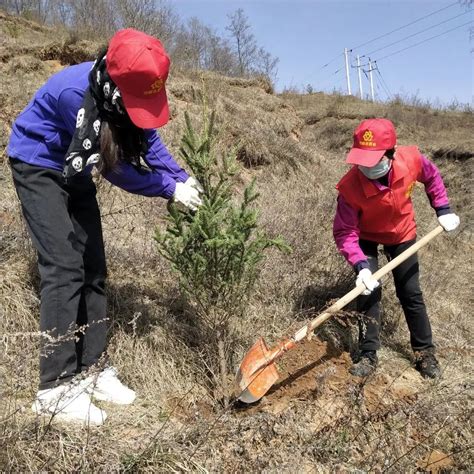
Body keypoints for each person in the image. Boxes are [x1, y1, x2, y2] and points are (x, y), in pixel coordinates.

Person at [7, 28, 203, 425]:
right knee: (62, 266)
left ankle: (93, 369)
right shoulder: (75, 97)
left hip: (75, 168)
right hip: (39, 164)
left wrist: (182, 177)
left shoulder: (118, 95)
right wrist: (168, 189)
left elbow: (147, 138)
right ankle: (55, 387)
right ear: (116, 86)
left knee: (94, 266)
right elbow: (117, 170)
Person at [333, 118, 459, 379]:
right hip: (366, 236)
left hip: (402, 233)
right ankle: (368, 354)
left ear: (390, 153)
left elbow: (432, 177)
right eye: (361, 160)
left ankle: (424, 353)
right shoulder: (349, 187)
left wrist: (443, 209)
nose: (365, 167)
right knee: (368, 293)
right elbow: (345, 231)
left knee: (410, 292)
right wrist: (361, 266)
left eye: (373, 159)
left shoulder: (411, 160)